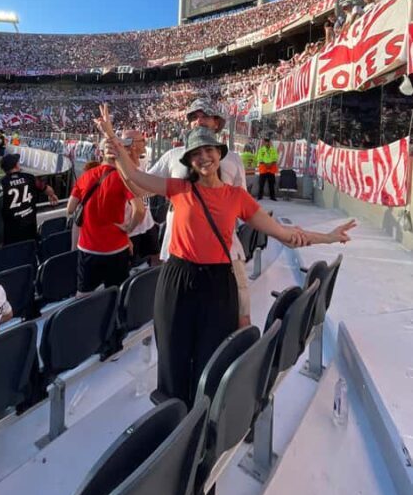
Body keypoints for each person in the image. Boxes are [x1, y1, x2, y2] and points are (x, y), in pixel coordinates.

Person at [96, 105, 356, 408]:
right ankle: (173, 419)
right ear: (190, 160)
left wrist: (327, 237)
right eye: (196, 153)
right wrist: (114, 140)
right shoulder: (179, 189)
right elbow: (137, 176)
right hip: (178, 278)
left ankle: (204, 419)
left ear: (219, 153)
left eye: (208, 150)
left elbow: (283, 233)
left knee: (211, 354)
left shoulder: (237, 197)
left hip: (219, 282)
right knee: (173, 352)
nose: (203, 157)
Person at [147, 97, 252, 325]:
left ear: (217, 122)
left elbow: (243, 205)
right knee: (180, 318)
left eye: (204, 115)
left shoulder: (233, 159)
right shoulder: (173, 156)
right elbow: (142, 185)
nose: (199, 120)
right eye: (194, 117)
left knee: (238, 316)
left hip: (225, 252)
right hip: (178, 254)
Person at [66, 139, 145, 296]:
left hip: (88, 248)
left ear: (101, 153)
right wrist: (129, 229)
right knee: (117, 293)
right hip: (117, 247)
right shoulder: (123, 178)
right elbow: (140, 211)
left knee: (83, 295)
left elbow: (70, 209)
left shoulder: (85, 176)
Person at [0, 153, 58, 245]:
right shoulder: (29, 178)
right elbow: (47, 189)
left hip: (11, 231)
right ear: (16, 165)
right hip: (29, 228)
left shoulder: (1, 183)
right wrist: (52, 195)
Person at [121, 129, 160, 266]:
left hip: (148, 225)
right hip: (131, 231)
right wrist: (125, 233)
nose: (145, 142)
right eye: (142, 140)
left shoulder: (144, 164)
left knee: (155, 258)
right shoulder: (121, 171)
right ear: (133, 146)